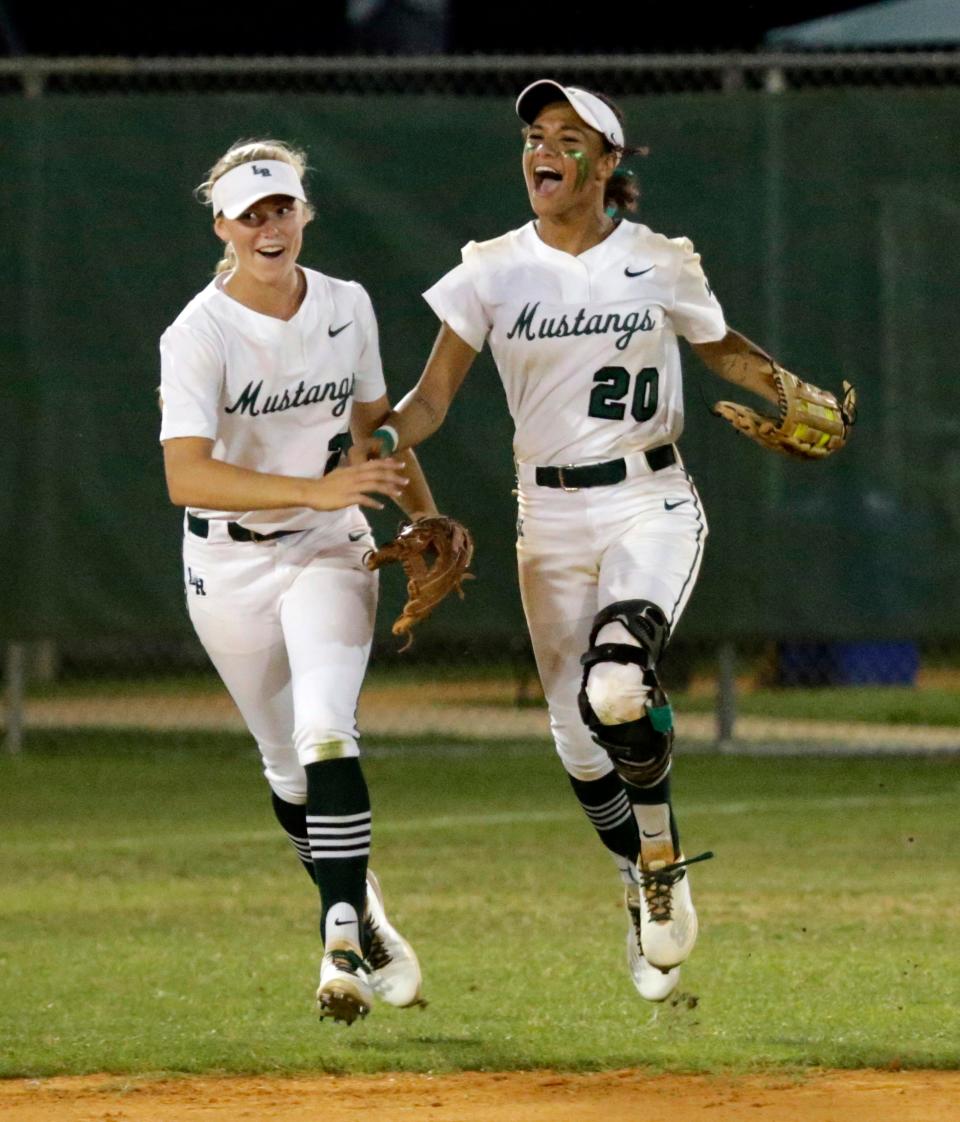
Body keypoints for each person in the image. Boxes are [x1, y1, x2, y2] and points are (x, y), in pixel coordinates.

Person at [353, 80, 803, 1003]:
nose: (540, 150)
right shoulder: (490, 268)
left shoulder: (657, 260)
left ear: (607, 162)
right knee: (576, 737)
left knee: (617, 682)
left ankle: (661, 859)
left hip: (650, 499)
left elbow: (717, 346)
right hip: (547, 517)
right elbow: (433, 395)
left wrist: (786, 387)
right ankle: (640, 875)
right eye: (532, 135)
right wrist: (391, 435)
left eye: (565, 137)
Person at [158, 139, 440, 1025]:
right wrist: (310, 486)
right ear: (223, 227)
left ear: (304, 212)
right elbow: (186, 476)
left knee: (325, 729)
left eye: (281, 207)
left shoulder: (347, 306)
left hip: (328, 544)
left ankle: (340, 932)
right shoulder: (197, 332)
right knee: (285, 768)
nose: (270, 226)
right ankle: (371, 912)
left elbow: (375, 431)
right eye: (252, 214)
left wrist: (419, 521)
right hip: (227, 560)